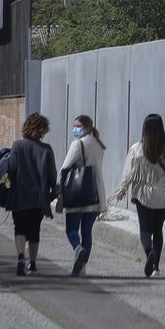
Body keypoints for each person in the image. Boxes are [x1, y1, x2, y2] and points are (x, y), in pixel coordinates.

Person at [113, 113, 165, 277]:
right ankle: (156, 268)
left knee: (145, 230)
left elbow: (128, 173)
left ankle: (149, 251)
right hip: (163, 196)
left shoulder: (137, 149)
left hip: (143, 195)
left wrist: (122, 190)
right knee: (158, 230)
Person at [7, 112, 58, 276]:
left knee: (19, 228)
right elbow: (52, 175)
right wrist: (53, 192)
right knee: (34, 231)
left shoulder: (17, 146)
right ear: (42, 130)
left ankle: (21, 257)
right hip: (38, 198)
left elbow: (11, 170)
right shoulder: (46, 150)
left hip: (19, 194)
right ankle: (33, 264)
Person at [58, 114, 107, 276]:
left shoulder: (78, 144)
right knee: (87, 231)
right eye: (74, 126)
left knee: (71, 229)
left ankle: (78, 248)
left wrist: (59, 190)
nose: (75, 129)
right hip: (96, 193)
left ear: (87, 127)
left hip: (78, 193)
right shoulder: (99, 144)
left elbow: (65, 168)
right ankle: (82, 269)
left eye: (78, 126)